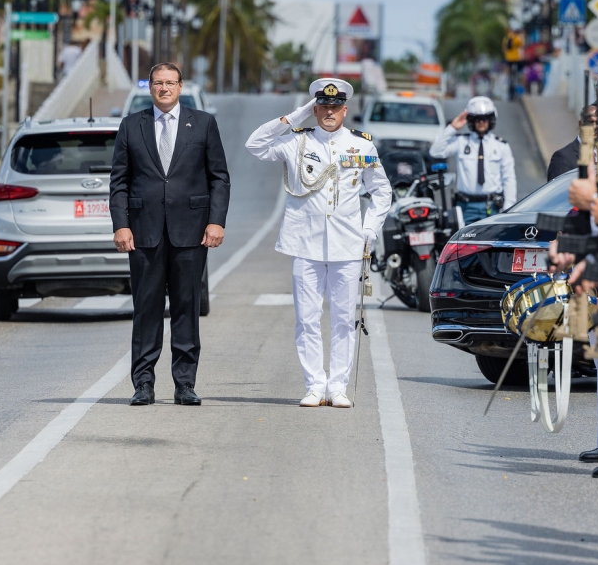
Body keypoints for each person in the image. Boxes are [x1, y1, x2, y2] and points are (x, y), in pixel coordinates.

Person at [245, 78, 392, 408]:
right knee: (307, 319)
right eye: (322, 107)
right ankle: (314, 385)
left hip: (347, 245)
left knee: (343, 319)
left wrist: (370, 228)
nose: (329, 113)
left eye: (334, 108)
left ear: (344, 110)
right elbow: (255, 145)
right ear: (316, 109)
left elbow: (382, 192)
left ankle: (337, 386)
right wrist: (297, 116)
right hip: (306, 245)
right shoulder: (297, 143)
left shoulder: (362, 147)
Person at [109, 61, 231, 407]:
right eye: (158, 83)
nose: (164, 88)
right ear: (150, 88)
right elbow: (118, 181)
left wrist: (216, 221)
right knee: (146, 308)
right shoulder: (132, 126)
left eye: (170, 83)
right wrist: (121, 224)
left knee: (186, 307)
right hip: (143, 233)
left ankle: (185, 383)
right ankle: (143, 383)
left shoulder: (204, 123)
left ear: (180, 87)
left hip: (191, 232)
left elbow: (218, 177)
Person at [431, 96, 517, 223]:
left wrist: (508, 210)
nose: (481, 122)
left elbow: (509, 178)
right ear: (471, 120)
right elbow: (435, 151)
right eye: (476, 118)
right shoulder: (461, 142)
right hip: (466, 207)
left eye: (485, 118)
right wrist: (452, 128)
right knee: (464, 242)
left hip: (491, 206)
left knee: (490, 243)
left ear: (491, 119)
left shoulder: (501, 146)